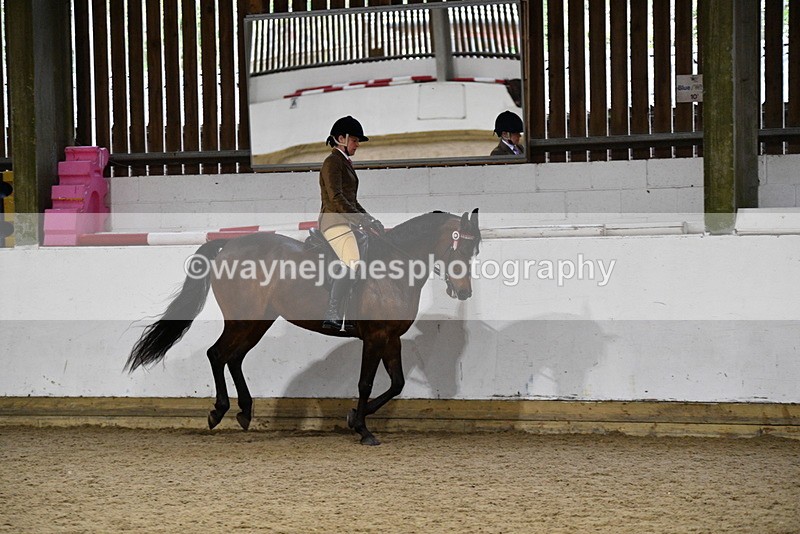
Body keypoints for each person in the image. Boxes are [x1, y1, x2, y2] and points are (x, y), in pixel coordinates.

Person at [318, 115, 384, 331]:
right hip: (334, 222)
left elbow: (352, 201)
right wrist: (361, 219)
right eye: (354, 140)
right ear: (341, 139)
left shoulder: (344, 163)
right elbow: (336, 198)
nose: (357, 145)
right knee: (353, 262)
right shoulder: (332, 162)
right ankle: (332, 311)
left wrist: (370, 219)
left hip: (347, 221)